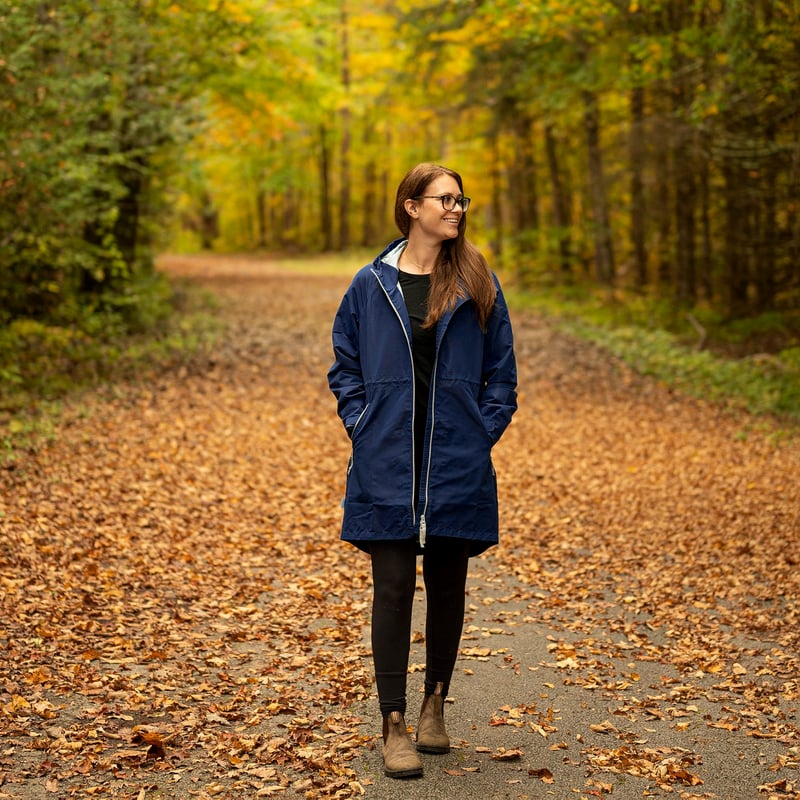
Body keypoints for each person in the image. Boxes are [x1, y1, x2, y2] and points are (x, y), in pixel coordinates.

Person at [327, 163, 517, 779]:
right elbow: (345, 362)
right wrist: (362, 420)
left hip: (456, 459)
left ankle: (435, 705)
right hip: (387, 456)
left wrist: (480, 431)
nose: (457, 208)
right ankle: (393, 723)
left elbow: (503, 375)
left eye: (461, 199)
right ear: (412, 207)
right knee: (391, 587)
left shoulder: (477, 280)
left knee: (448, 585)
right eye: (445, 199)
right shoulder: (369, 284)